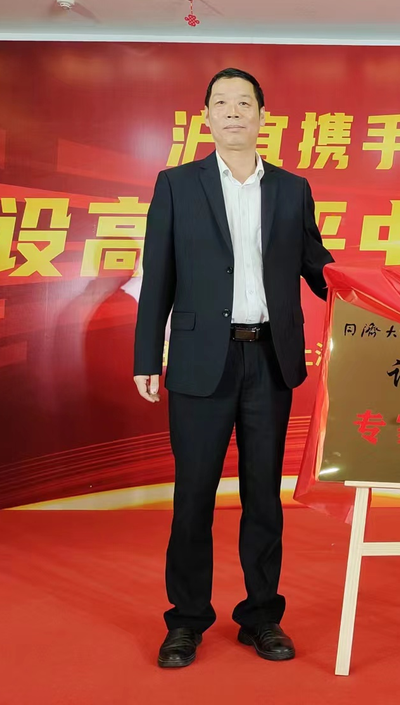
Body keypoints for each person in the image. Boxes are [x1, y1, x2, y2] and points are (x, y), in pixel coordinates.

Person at [133, 68, 334, 668]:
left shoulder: (292, 189)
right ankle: (186, 620)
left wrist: (383, 299)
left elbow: (318, 267)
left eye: (244, 103)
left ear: (263, 116)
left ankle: (262, 617)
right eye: (221, 103)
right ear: (206, 117)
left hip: (270, 360)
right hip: (200, 361)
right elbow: (157, 275)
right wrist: (147, 355)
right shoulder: (176, 185)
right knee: (193, 495)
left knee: (263, 497)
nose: (233, 112)